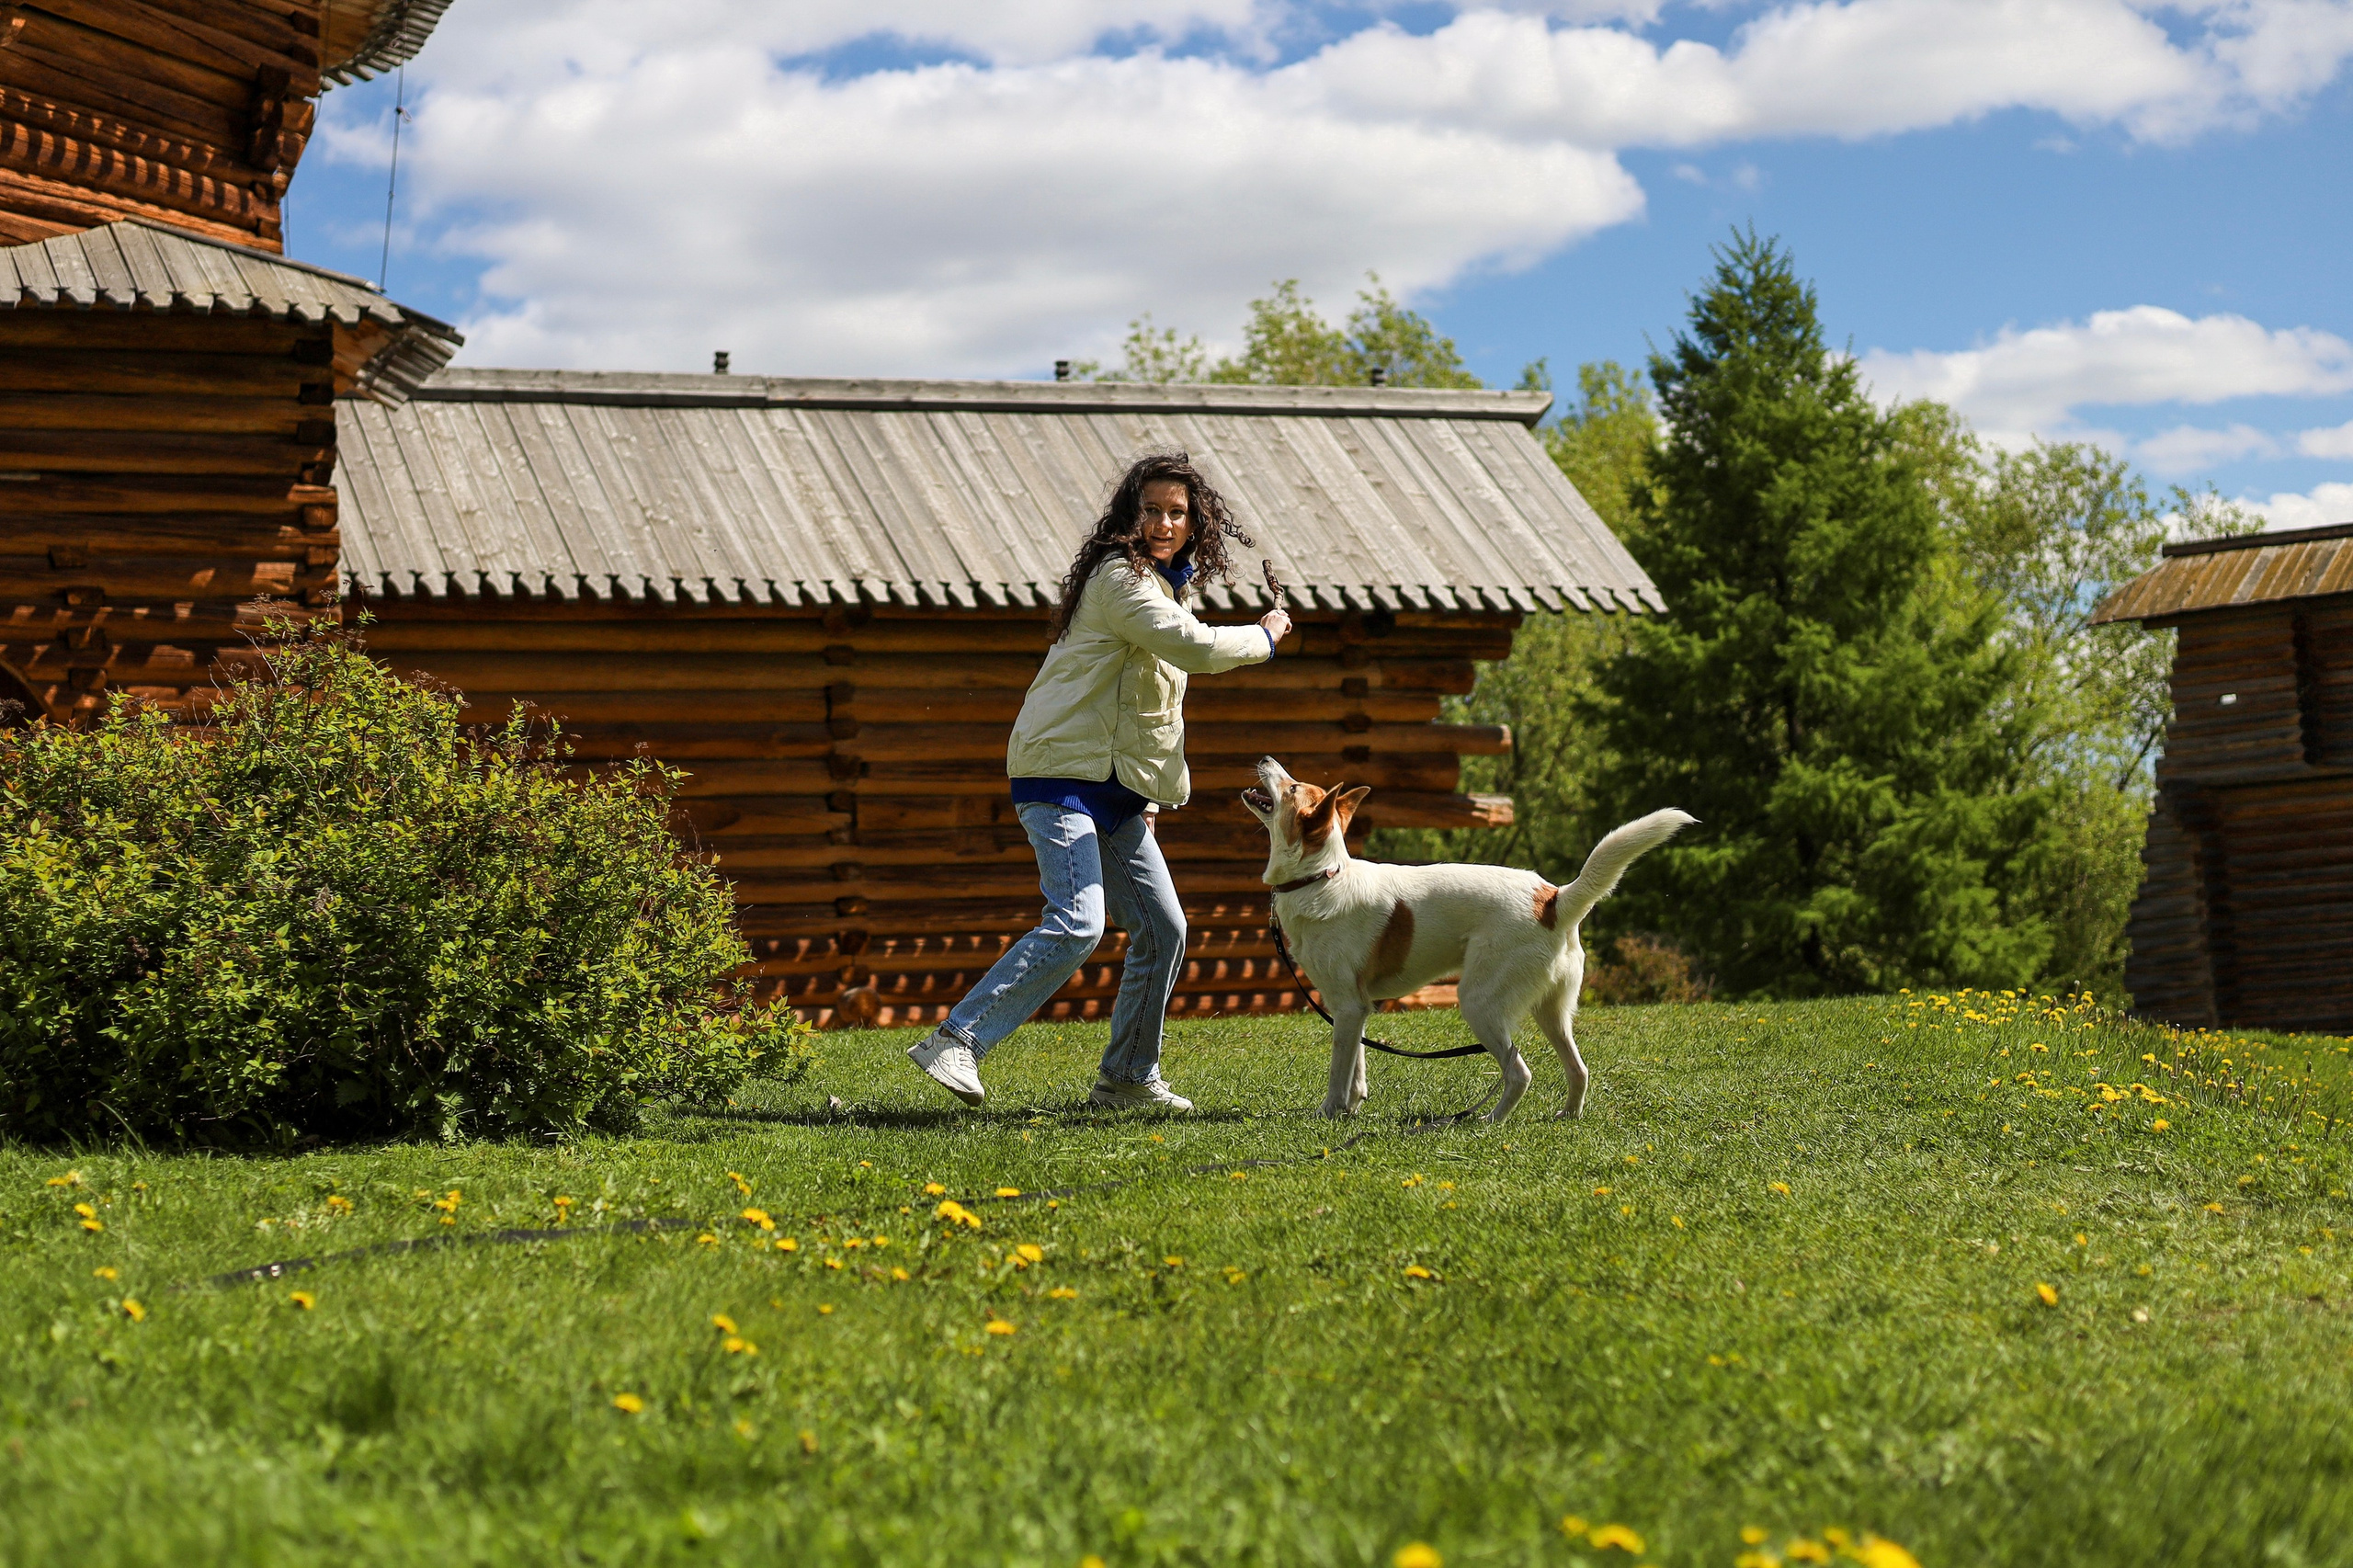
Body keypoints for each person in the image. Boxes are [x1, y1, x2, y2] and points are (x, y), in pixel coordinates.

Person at [906, 450, 1292, 1111]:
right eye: (1152, 510)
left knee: (1164, 930)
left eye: (1178, 512)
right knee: (1080, 921)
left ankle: (1126, 1080)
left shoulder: (1168, 588)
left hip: (1114, 788)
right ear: (1128, 516)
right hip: (1058, 772)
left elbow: (1155, 704)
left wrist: (1150, 792)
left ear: (1197, 523)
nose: (1164, 523)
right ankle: (957, 1039)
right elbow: (1196, 649)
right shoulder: (1120, 578)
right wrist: (1265, 635)